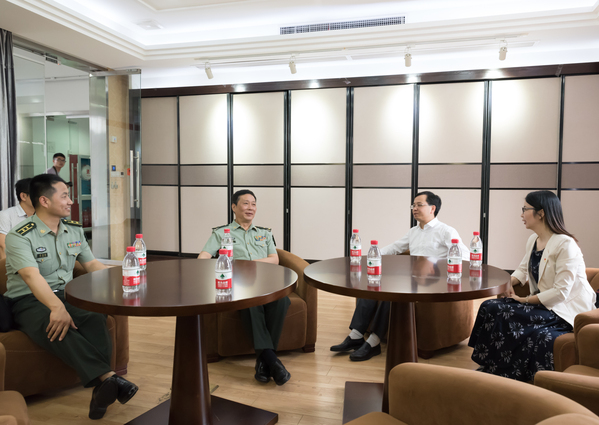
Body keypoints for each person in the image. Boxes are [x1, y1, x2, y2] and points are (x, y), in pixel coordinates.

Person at [4, 174, 138, 419]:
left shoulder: (73, 230)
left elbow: (92, 264)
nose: (70, 201)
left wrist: (123, 280)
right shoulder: (20, 235)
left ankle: (104, 387)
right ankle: (108, 378)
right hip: (27, 300)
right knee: (58, 325)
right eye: (64, 196)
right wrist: (57, 308)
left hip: (66, 294)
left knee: (95, 316)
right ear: (44, 201)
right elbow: (32, 277)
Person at [468, 191, 596, 382]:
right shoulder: (533, 240)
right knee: (489, 306)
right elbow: (522, 271)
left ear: (541, 213)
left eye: (525, 209)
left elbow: (561, 292)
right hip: (543, 304)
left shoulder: (565, 244)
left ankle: (505, 371)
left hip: (562, 309)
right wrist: (507, 284)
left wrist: (524, 300)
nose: (521, 214)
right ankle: (491, 364)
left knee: (506, 313)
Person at [330, 191, 469, 361]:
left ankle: (374, 341)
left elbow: (465, 256)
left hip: (433, 281)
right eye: (413, 205)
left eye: (419, 205)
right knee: (373, 283)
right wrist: (372, 256)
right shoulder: (414, 231)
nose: (414, 208)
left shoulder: (446, 231)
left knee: (393, 291)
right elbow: (395, 247)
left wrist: (436, 264)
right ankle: (356, 335)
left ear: (432, 208)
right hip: (412, 277)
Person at [198, 189, 291, 385]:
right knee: (251, 303)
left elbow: (274, 259)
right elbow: (203, 257)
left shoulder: (265, 233)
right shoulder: (221, 233)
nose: (251, 208)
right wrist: (217, 268)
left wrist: (250, 263)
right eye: (246, 203)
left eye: (254, 204)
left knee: (283, 301)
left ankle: (264, 361)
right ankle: (271, 359)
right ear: (234, 207)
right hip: (238, 284)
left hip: (266, 282)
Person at [0, 178, 34, 259]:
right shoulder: (6, 215)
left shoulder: (43, 215)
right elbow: (3, 246)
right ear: (23, 196)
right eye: (37, 194)